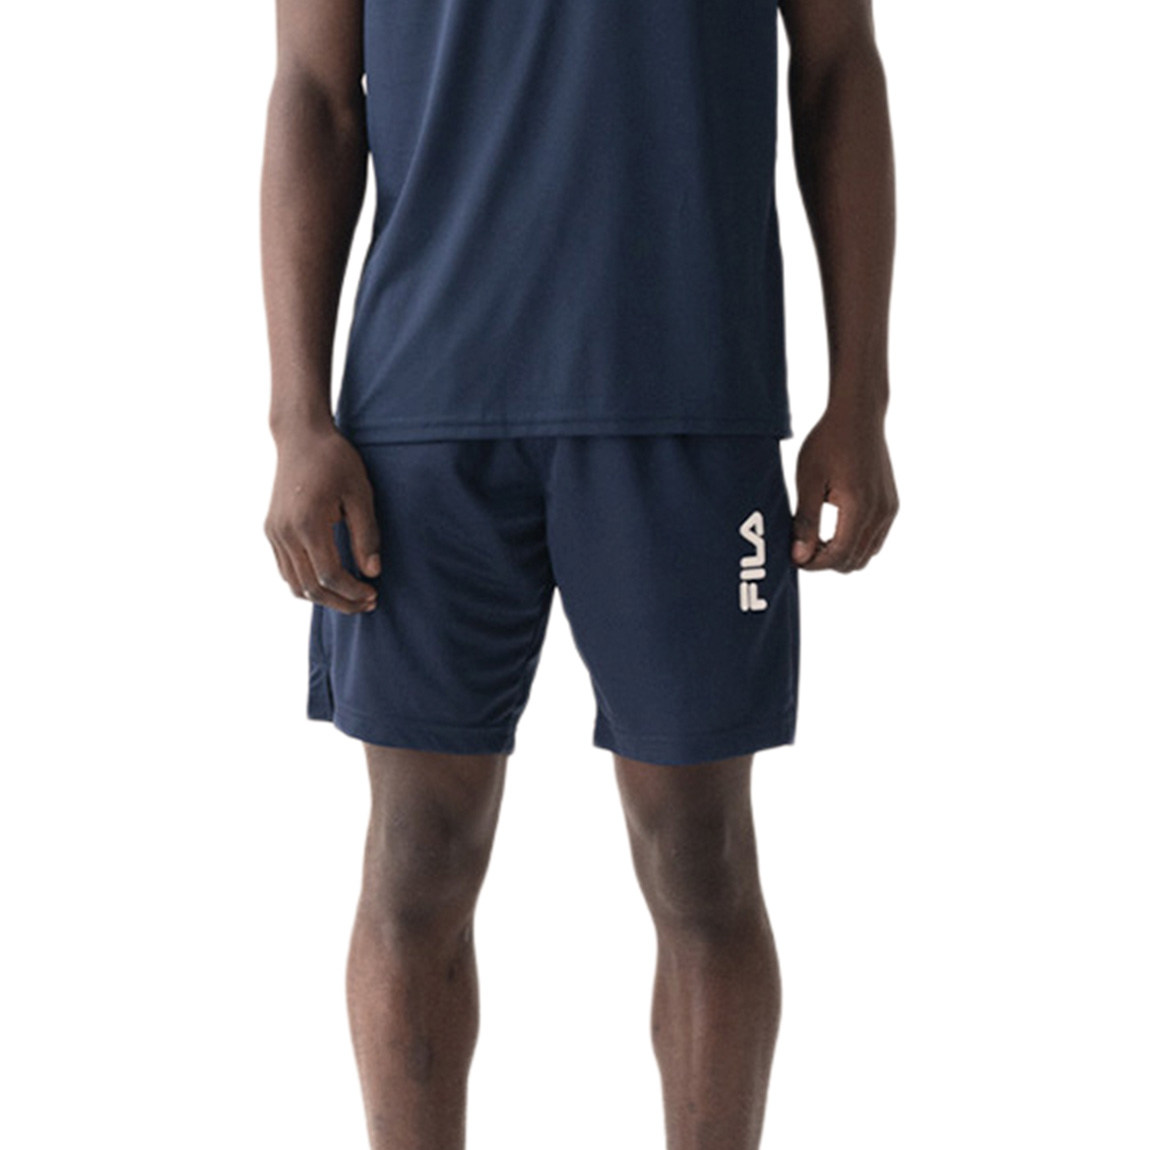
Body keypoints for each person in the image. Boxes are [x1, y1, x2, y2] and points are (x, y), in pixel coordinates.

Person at [260, 0, 898, 1145]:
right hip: (426, 410)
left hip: (687, 392)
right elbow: (314, 95)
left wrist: (860, 397)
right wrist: (296, 418)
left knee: (699, 855)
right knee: (418, 855)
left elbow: (837, 66)